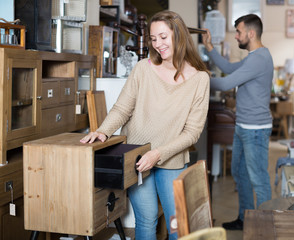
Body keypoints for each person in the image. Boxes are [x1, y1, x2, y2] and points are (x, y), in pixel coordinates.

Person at [80, 10, 210, 240]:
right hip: (137, 158)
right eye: (153, 38)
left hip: (171, 159)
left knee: (178, 228)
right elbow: (122, 109)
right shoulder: (143, 69)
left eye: (163, 37)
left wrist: (157, 153)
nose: (158, 44)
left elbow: (192, 133)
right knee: (146, 221)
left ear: (178, 35)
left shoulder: (200, 79)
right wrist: (103, 131)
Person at [202, 14, 273, 230]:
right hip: (244, 126)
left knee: (258, 179)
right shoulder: (254, 57)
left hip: (255, 130)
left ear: (251, 33)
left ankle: (264, 227)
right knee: (240, 174)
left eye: (239, 32)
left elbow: (225, 83)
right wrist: (209, 47)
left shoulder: (260, 58)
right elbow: (229, 68)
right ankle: (245, 218)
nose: (236, 36)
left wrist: (196, 79)